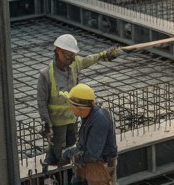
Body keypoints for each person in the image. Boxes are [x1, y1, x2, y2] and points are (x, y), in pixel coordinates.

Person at [36, 33, 119, 170]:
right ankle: (58, 169)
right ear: (58, 51)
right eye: (69, 56)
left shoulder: (74, 64)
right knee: (59, 150)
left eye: (73, 55)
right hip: (57, 123)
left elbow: (88, 60)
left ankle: (71, 168)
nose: (72, 59)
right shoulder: (45, 75)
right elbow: (41, 102)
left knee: (72, 143)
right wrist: (47, 124)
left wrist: (104, 54)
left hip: (73, 116)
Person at [63, 83, 120, 185]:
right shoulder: (90, 116)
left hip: (98, 165)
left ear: (80, 107)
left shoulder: (99, 121)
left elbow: (92, 154)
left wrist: (72, 154)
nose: (69, 107)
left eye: (71, 104)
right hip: (95, 163)